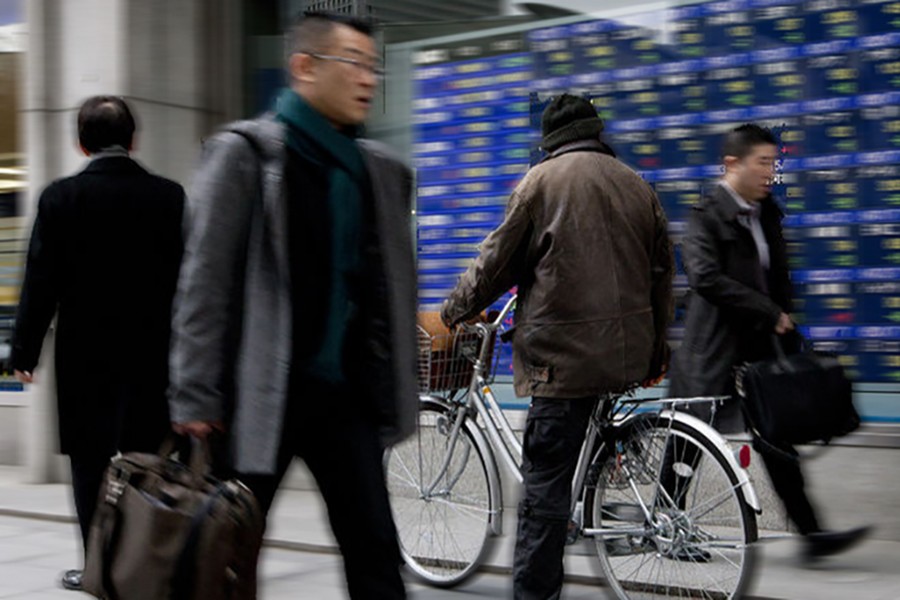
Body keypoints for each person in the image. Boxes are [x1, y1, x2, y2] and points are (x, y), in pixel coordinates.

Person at [167, 11, 417, 599]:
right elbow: (203, 281)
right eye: (353, 63)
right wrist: (195, 393)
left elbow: (384, 288)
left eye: (373, 67)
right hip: (258, 396)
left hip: (344, 396)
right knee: (225, 551)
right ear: (304, 66)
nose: (368, 79)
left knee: (376, 550)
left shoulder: (375, 170)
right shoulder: (246, 155)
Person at [441, 94, 674, 599]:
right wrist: (657, 352)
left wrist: (452, 311)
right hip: (626, 355)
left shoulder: (541, 183)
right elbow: (662, 278)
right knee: (567, 466)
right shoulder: (637, 185)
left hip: (562, 363)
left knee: (543, 493)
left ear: (551, 141)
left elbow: (493, 266)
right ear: (595, 132)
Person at [667, 123, 870, 560]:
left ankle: (812, 535)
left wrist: (787, 328)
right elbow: (705, 278)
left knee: (778, 443)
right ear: (732, 164)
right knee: (686, 446)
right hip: (711, 354)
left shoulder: (767, 213)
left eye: (773, 163)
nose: (769, 172)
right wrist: (768, 311)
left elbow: (777, 279)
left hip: (758, 354)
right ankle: (665, 527)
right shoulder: (706, 217)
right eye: (762, 162)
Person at [11, 96, 185, 591]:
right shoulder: (169, 197)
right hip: (153, 355)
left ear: (81, 144)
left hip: (84, 358)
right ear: (134, 140)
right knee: (148, 462)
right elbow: (188, 282)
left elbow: (40, 280)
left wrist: (24, 353)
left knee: (89, 465)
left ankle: (98, 568)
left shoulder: (60, 198)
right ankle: (148, 562)